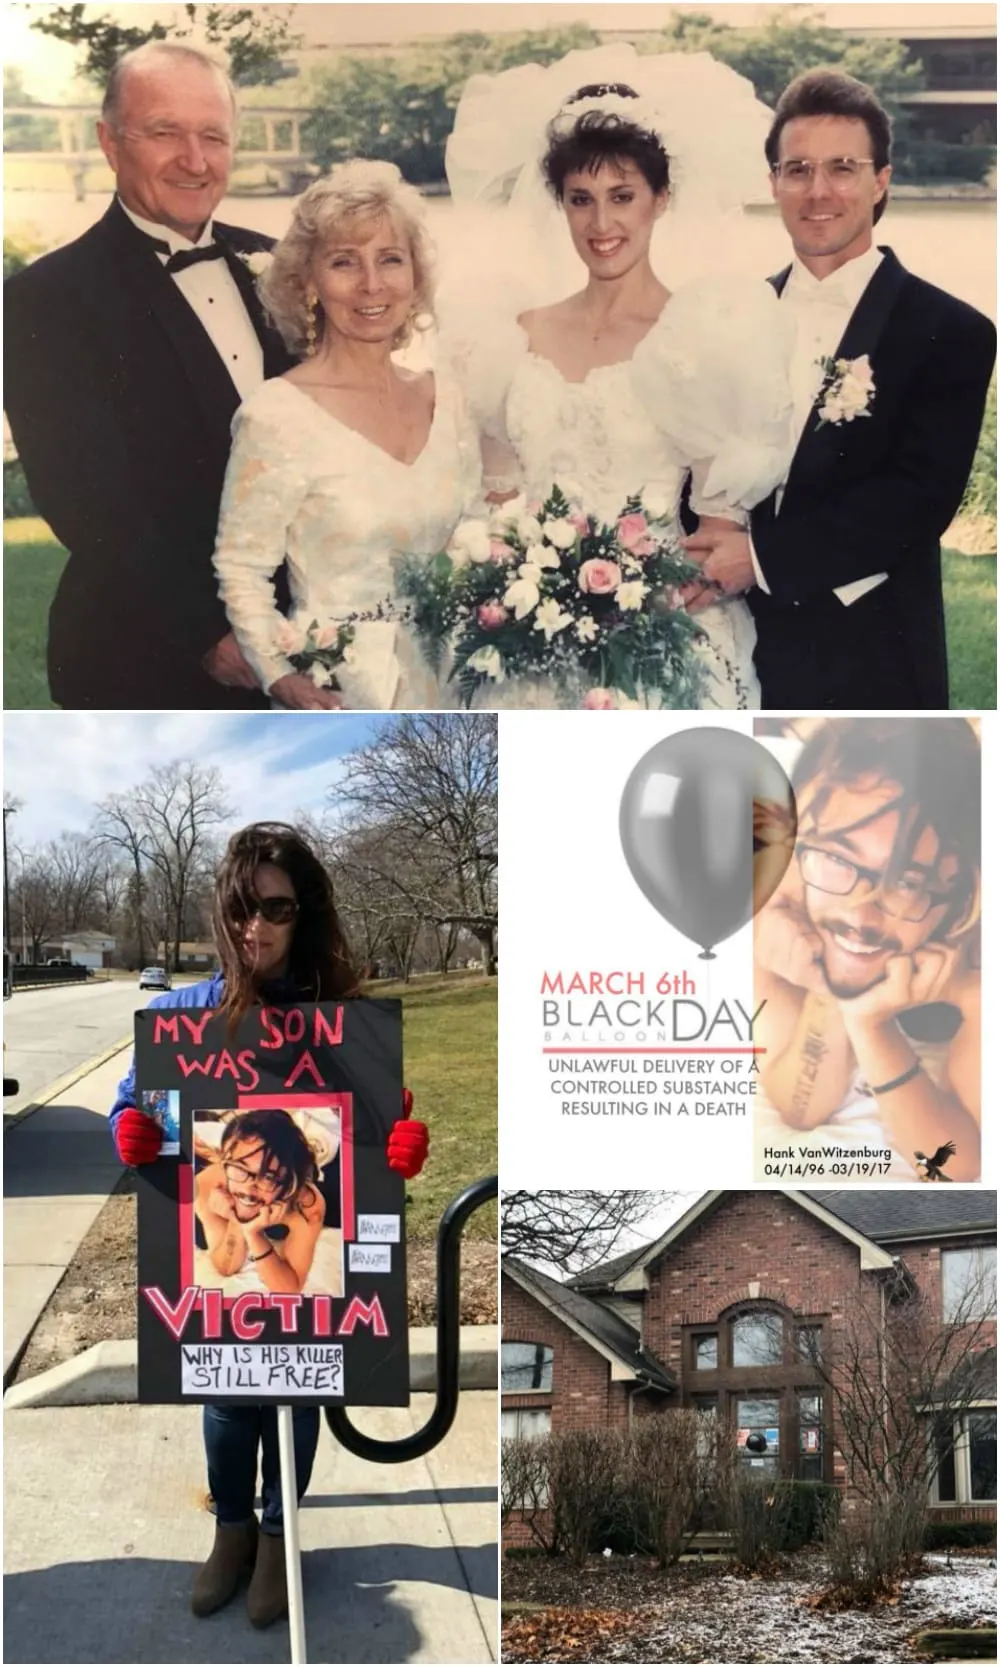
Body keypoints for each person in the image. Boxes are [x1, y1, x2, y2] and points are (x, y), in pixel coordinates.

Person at [109, 822, 429, 1628]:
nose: (258, 927)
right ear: (223, 908)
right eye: (244, 906)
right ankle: (232, 1530)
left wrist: (396, 1146)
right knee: (224, 1396)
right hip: (210, 1265)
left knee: (299, 1391)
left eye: (278, 909)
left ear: (305, 912)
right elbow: (132, 1097)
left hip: (307, 1259)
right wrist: (129, 1126)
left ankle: (282, 1535)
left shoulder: (343, 1020)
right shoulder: (182, 1014)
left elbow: (373, 1134)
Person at [443, 45, 798, 709]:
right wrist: (516, 595)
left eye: (622, 197)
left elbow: (719, 533)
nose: (601, 224)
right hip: (530, 642)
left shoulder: (702, 334)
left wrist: (640, 606)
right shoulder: (512, 335)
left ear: (661, 199)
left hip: (660, 634)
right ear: (559, 204)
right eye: (581, 200)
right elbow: (495, 504)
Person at [683, 69, 997, 710]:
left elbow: (916, 502)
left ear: (881, 179)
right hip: (732, 652)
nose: (817, 190)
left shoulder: (952, 331)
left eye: (842, 168)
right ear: (772, 181)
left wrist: (761, 560)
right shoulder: (730, 318)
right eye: (796, 169)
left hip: (869, 660)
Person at [3, 42, 295, 710]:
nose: (194, 160)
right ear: (110, 142)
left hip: (303, 640)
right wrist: (205, 633)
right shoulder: (43, 301)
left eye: (213, 136)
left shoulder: (280, 262)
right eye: (165, 133)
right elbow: (86, 503)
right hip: (150, 657)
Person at [212, 160, 482, 709]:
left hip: (457, 679)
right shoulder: (277, 415)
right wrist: (280, 676)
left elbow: (475, 529)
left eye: (390, 259)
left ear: (415, 276)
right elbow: (242, 569)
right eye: (344, 263)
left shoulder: (448, 399)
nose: (371, 285)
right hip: (342, 690)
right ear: (308, 282)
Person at [754, 719, 981, 1180]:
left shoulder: (975, 941)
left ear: (961, 887)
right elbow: (801, 1108)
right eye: (838, 856)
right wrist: (841, 996)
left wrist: (874, 1028)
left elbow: (956, 1165)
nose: (862, 913)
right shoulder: (782, 896)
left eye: (908, 880)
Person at [193, 1109, 334, 1296]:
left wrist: (253, 1234)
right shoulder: (209, 1184)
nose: (249, 1187)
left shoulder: (306, 1204)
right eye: (240, 1169)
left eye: (267, 1177)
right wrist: (238, 1220)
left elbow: (288, 1288)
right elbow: (226, 1268)